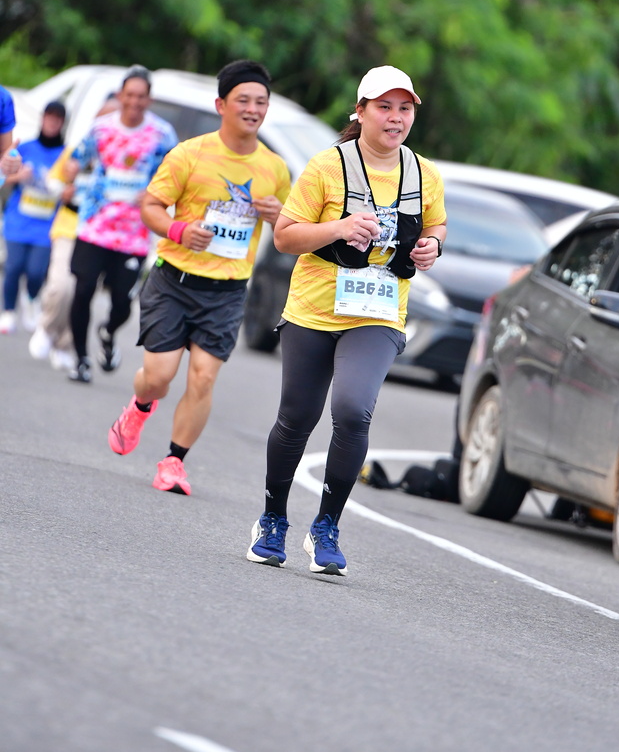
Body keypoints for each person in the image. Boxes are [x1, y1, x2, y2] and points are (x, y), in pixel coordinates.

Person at [246, 65, 446, 576]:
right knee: (297, 417)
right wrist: (338, 227)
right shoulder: (327, 166)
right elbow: (285, 236)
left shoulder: (424, 173)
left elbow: (437, 224)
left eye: (405, 108)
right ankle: (272, 520)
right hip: (314, 309)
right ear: (360, 112)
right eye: (384, 107)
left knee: (354, 410)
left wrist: (432, 245)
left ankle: (326, 527)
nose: (396, 118)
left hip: (379, 313)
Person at [107, 59, 291, 495]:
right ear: (221, 105)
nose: (253, 109)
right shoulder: (189, 154)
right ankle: (140, 405)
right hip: (174, 280)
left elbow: (289, 232)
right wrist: (179, 231)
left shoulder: (275, 169)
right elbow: (150, 206)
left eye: (261, 102)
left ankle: (174, 462)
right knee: (159, 377)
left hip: (227, 289)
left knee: (204, 377)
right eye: (243, 100)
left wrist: (279, 214)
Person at [66, 66, 178, 383]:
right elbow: (75, 160)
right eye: (130, 95)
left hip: (134, 233)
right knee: (83, 290)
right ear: (120, 95)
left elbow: (175, 174)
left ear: (149, 99)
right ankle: (81, 359)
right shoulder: (101, 129)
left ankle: (108, 331)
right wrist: (71, 176)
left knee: (122, 302)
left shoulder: (162, 134)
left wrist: (155, 192)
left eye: (141, 96)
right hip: (95, 226)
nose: (134, 102)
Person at [28, 96, 121, 371]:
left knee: (81, 292)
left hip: (101, 233)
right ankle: (47, 327)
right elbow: (53, 180)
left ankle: (65, 343)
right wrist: (63, 189)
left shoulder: (126, 160)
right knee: (61, 286)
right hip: (69, 226)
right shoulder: (79, 151)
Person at [0, 101, 66, 334]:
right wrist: (17, 177)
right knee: (14, 267)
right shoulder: (25, 148)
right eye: (49, 117)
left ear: (62, 123)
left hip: (46, 225)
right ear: (42, 119)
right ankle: (8, 312)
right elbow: (2, 176)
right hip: (18, 221)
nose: (52, 123)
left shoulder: (65, 154)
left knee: (36, 271)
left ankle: (31, 298)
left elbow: (72, 186)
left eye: (57, 119)